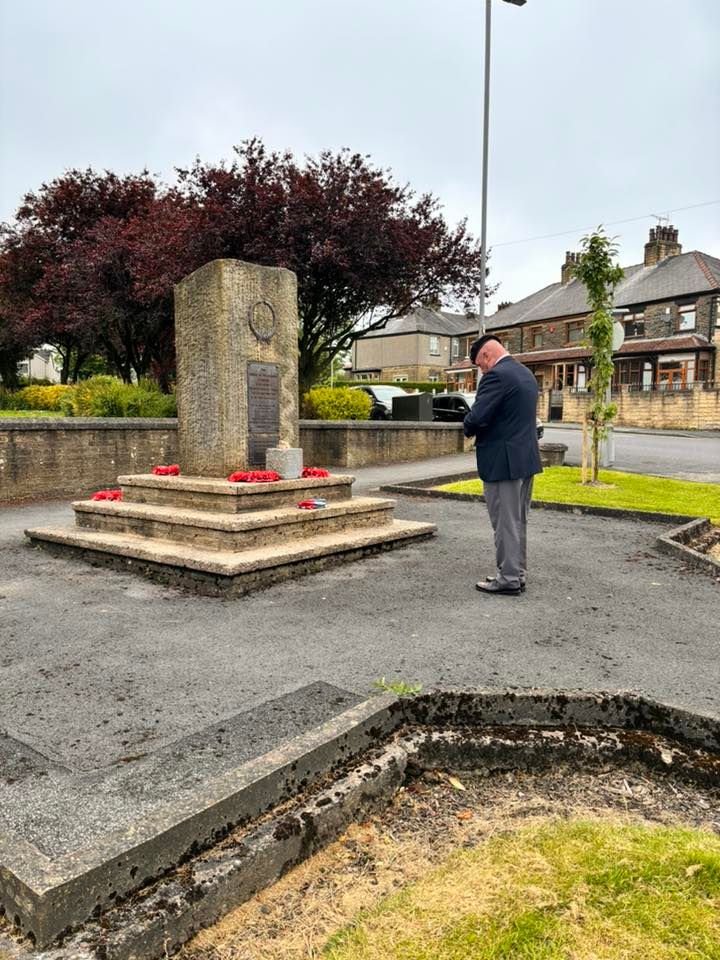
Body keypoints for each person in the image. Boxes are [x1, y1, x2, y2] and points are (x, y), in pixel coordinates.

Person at [463, 334, 542, 596]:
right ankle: (516, 573)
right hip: (525, 460)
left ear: (486, 355)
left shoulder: (497, 376)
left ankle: (507, 578)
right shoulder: (525, 373)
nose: (481, 370)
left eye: (480, 364)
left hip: (502, 462)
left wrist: (467, 423)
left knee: (505, 522)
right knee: (518, 521)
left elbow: (477, 418)